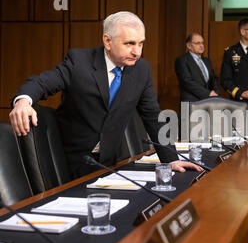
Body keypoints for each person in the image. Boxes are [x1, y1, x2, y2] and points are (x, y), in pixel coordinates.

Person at [9, 11, 201, 179]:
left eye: (141, 43)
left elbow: (152, 116)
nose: (137, 52)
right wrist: (23, 101)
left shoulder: (141, 69)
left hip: (109, 163)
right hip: (70, 163)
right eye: (129, 44)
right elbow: (42, 82)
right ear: (107, 41)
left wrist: (171, 160)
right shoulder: (79, 62)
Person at [175, 33, 219, 102]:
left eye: (202, 43)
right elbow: (187, 82)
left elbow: (213, 79)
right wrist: (208, 94)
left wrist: (215, 93)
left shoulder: (207, 61)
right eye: (198, 43)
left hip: (209, 101)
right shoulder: (182, 60)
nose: (201, 45)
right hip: (191, 103)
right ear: (189, 45)